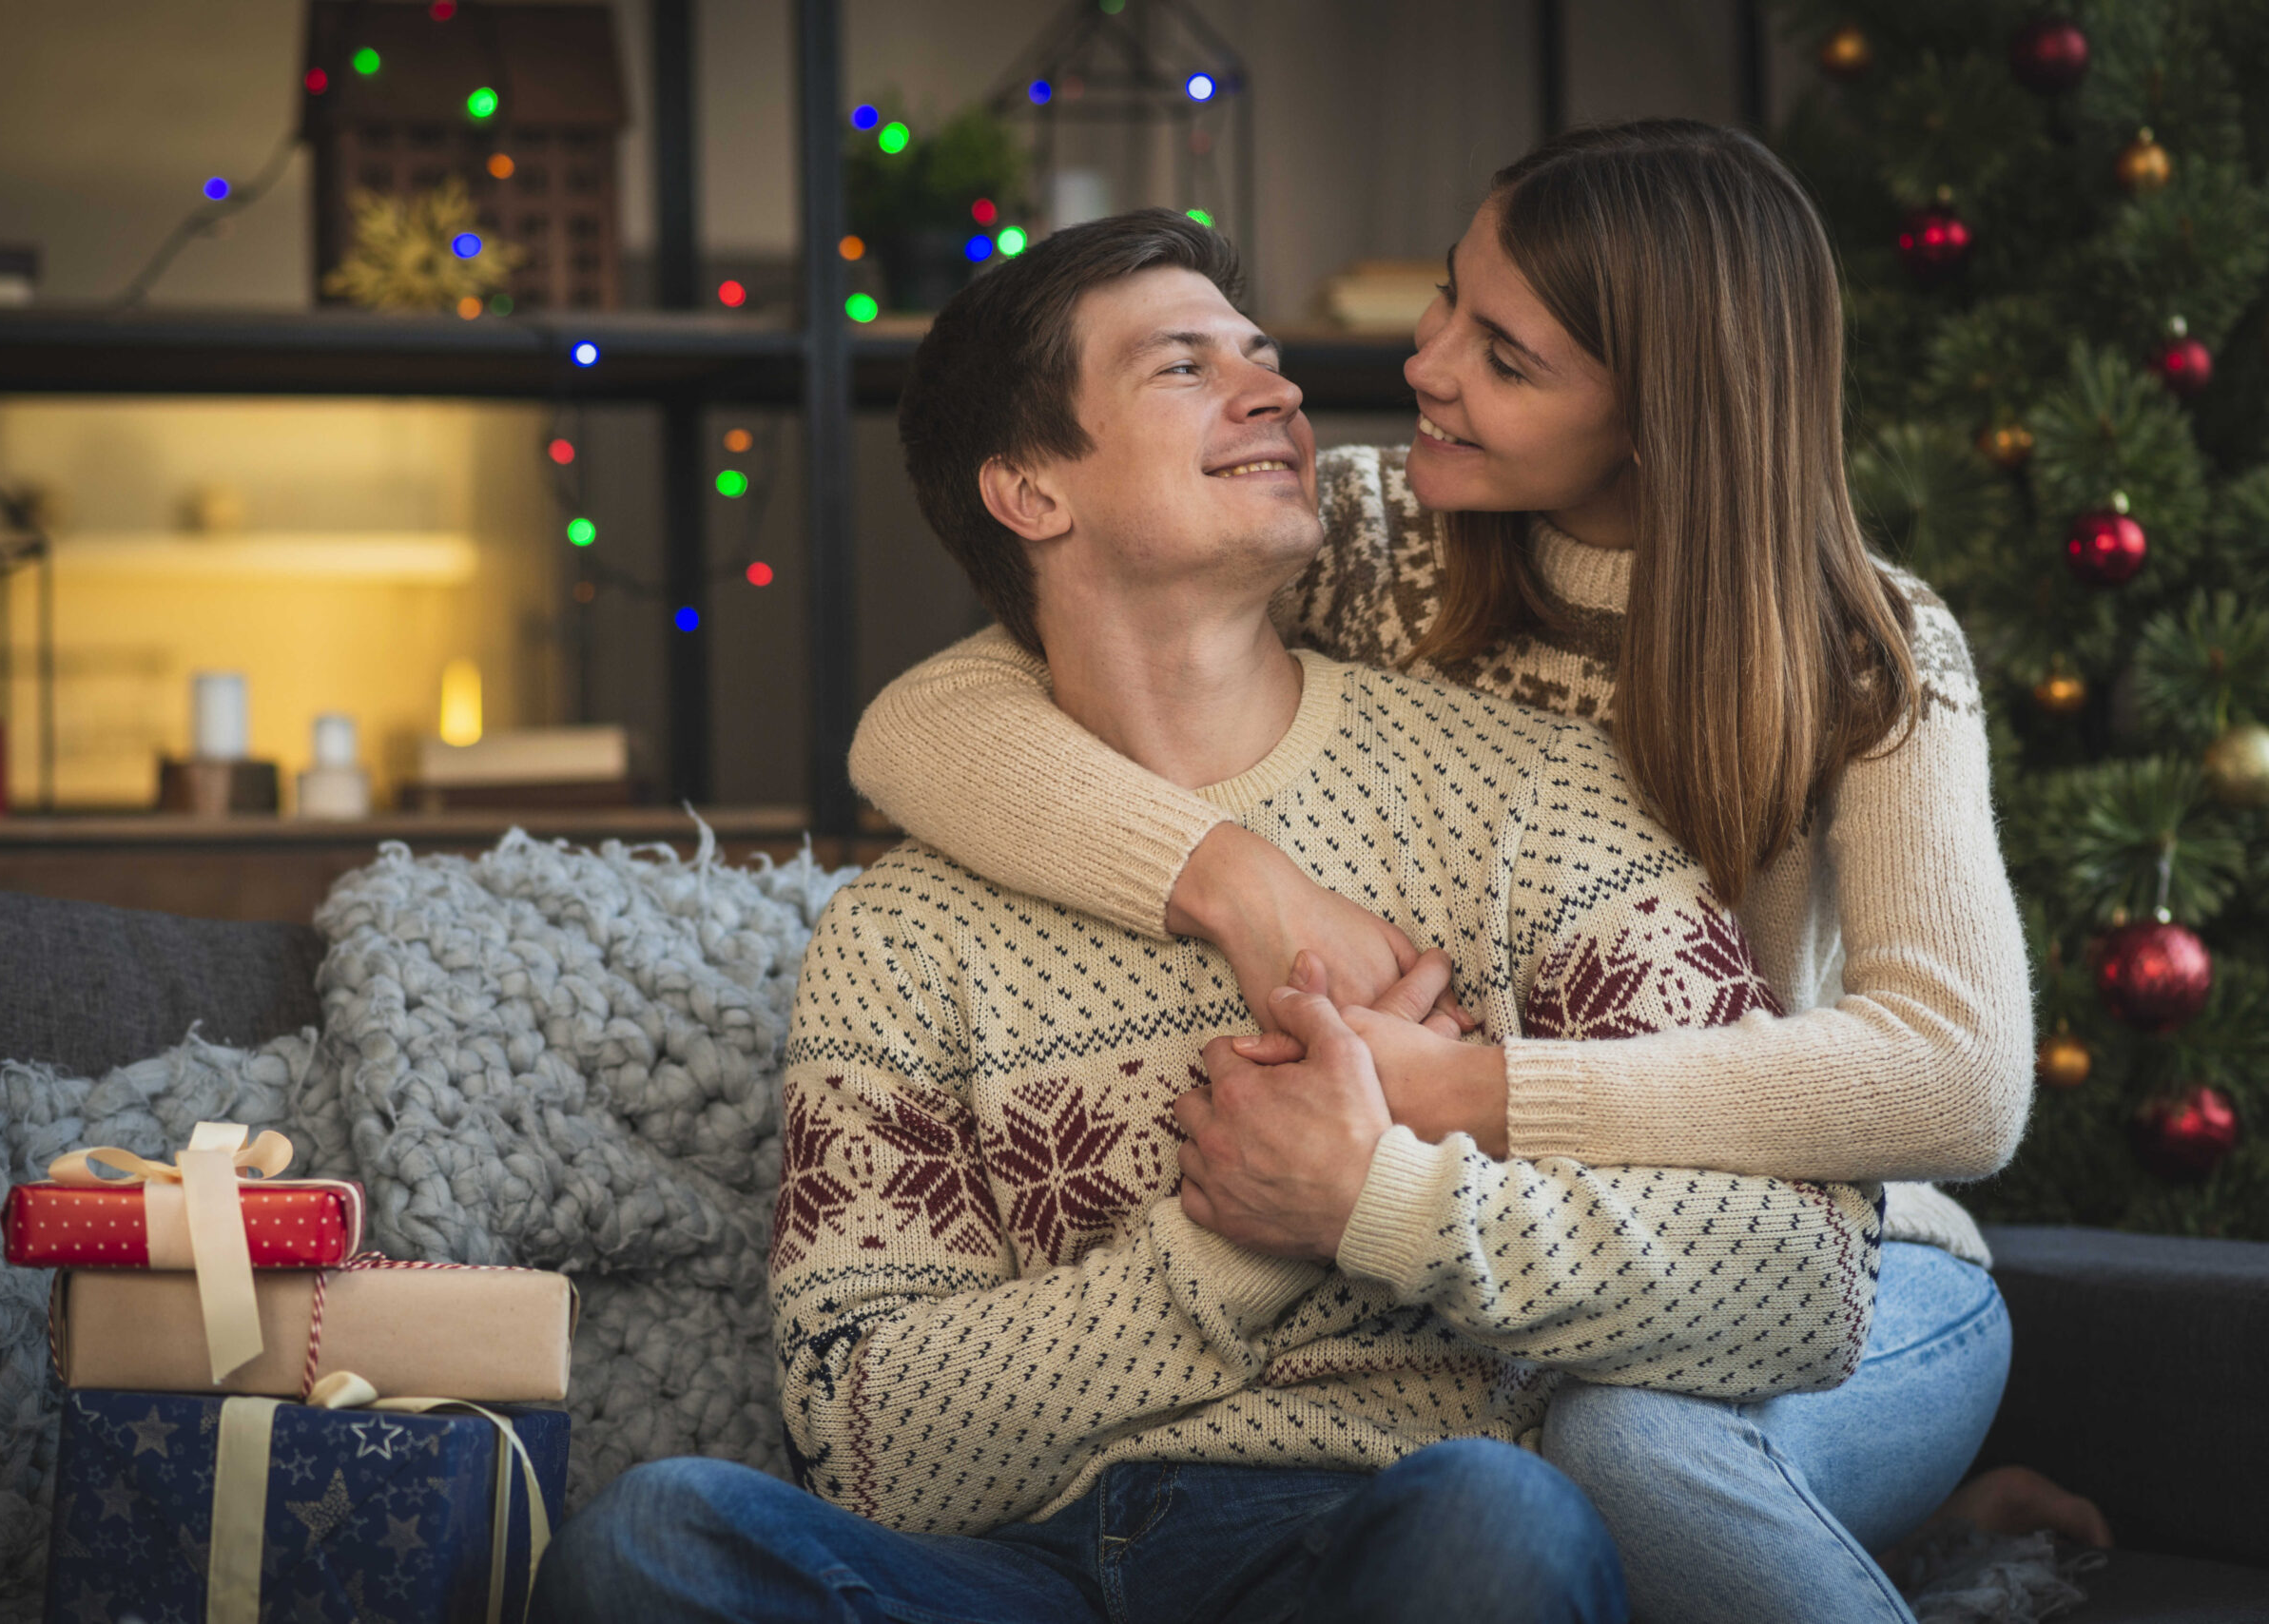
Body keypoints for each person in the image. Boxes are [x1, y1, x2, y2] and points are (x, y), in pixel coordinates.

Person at [535, 208, 1891, 1624]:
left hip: (1383, 1537)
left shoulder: (1531, 798)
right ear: (1029, 491)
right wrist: (1228, 1249)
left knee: (1496, 1521)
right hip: (1023, 1576)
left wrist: (1382, 1203)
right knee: (654, 1543)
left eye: (1265, 358)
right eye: (1184, 367)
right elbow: (869, 1444)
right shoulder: (900, 934)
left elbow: (1801, 1280)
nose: (1280, 392)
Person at [847, 121, 2107, 1623]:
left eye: (1506, 359)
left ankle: (1830, 1507)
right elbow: (930, 718)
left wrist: (1458, 1092)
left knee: (1624, 1451)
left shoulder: (1862, 653)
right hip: (1525, 1265)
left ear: (1657, 416)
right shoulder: (1387, 534)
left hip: (1861, 1263)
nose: (1428, 365)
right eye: (1450, 299)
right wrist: (1247, 885)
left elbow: (1957, 1080)